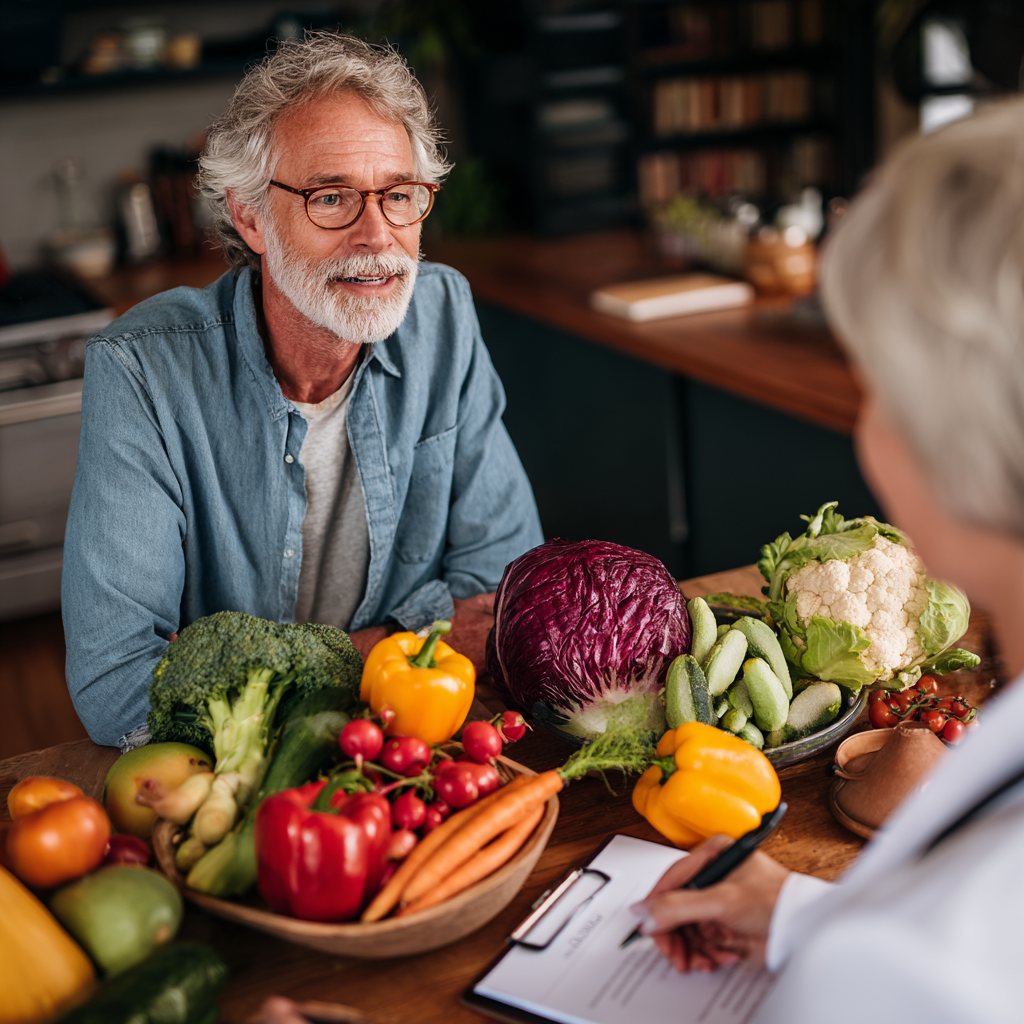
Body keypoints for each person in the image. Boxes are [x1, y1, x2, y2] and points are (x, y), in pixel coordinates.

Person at [634, 98, 1024, 1022]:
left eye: (878, 383)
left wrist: (843, 950)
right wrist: (810, 918)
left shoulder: (888, 975)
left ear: (953, 443)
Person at [61, 34, 542, 750]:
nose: (377, 236)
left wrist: (256, 682)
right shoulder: (142, 372)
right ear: (251, 217)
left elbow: (507, 595)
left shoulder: (443, 315)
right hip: (230, 786)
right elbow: (120, 686)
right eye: (331, 198)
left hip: (414, 749)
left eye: (400, 195)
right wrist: (386, 649)